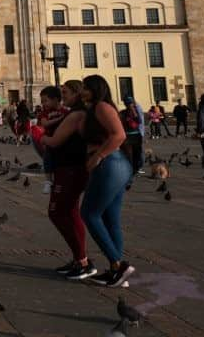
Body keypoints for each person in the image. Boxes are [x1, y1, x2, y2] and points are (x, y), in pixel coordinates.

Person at [79, 75, 133, 287]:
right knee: (111, 219)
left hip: (110, 164)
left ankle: (119, 266)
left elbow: (118, 135)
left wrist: (98, 156)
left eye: (85, 87)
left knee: (89, 214)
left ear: (95, 89)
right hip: (115, 165)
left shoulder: (102, 106)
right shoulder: (95, 109)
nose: (83, 90)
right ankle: (117, 273)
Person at [40, 80, 95, 280]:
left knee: (57, 213)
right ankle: (80, 258)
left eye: (65, 92)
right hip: (68, 168)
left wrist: (43, 139)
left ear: (77, 94)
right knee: (70, 213)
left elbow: (54, 140)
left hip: (72, 169)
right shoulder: (73, 112)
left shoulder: (76, 114)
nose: (62, 96)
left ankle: (83, 261)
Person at [119, 94, 145, 177]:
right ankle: (130, 171)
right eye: (128, 103)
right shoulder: (122, 113)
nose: (130, 105)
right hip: (127, 137)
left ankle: (135, 169)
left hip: (136, 136)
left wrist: (134, 112)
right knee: (128, 155)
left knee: (138, 154)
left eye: (131, 103)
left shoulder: (137, 112)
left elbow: (139, 121)